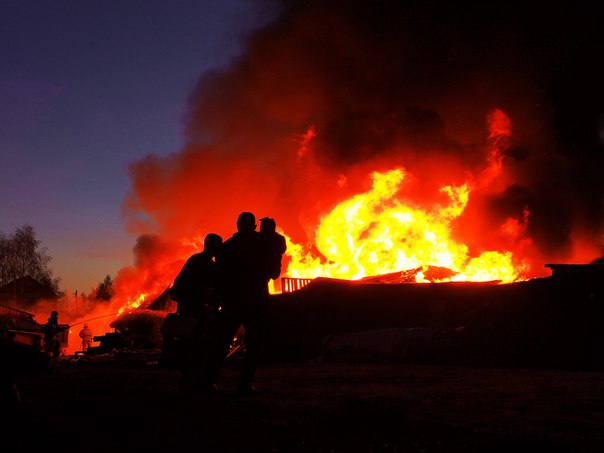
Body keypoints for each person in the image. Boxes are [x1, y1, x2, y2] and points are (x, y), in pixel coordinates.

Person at [202, 211, 272, 396]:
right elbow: (273, 271)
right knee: (254, 345)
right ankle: (244, 384)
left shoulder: (227, 247)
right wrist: (270, 234)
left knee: (221, 343)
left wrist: (217, 301)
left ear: (237, 225)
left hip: (232, 302)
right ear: (254, 226)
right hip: (255, 301)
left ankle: (210, 382)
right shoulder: (261, 245)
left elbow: (219, 278)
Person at [168, 232, 223, 394]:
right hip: (194, 312)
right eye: (217, 246)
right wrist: (202, 293)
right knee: (195, 346)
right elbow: (180, 285)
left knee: (196, 347)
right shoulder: (199, 262)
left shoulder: (206, 264)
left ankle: (192, 381)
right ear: (212, 246)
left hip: (200, 312)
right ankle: (191, 381)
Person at [259, 217, 287, 285]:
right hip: (272, 268)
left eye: (262, 225)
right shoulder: (279, 238)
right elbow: (283, 250)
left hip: (260, 268)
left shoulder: (257, 237)